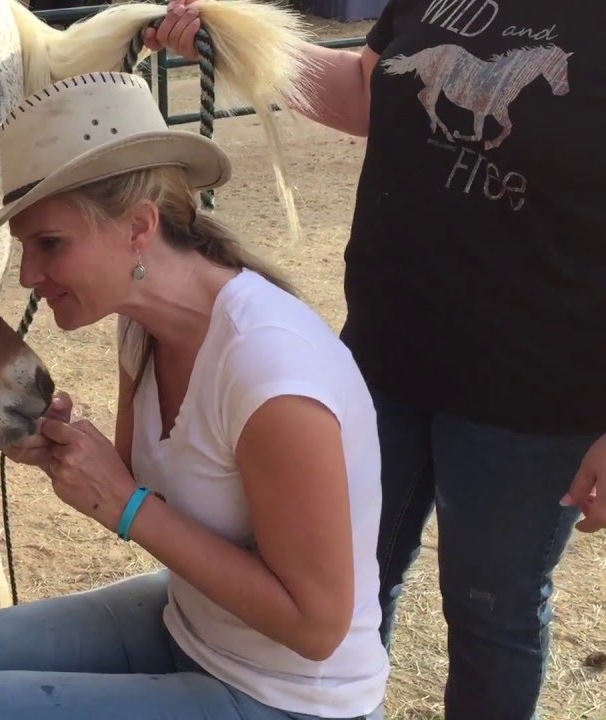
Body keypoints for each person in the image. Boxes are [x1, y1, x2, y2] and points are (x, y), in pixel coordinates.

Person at [145, 1, 606, 718]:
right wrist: (232, 42)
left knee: (491, 611)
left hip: (537, 392)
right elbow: (367, 88)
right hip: (384, 358)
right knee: (343, 583)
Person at [0, 70, 389, 720]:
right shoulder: (143, 325)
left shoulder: (271, 372)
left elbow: (316, 627)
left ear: (138, 228)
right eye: (25, 247)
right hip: (195, 625)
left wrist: (123, 503)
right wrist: (63, 453)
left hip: (290, 694)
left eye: (49, 244)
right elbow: (146, 489)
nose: (27, 275)